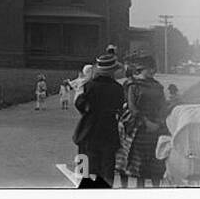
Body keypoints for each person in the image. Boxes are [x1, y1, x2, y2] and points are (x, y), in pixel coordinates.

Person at [73, 52, 125, 188]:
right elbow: (120, 106)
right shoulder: (118, 89)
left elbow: (79, 103)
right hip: (108, 131)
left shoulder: (89, 86)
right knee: (107, 168)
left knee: (85, 170)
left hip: (88, 130)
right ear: (113, 71)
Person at [120, 56, 170, 188]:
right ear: (142, 69)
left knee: (155, 160)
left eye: (153, 68)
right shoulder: (132, 85)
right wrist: (147, 122)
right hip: (138, 127)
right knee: (139, 163)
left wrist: (159, 122)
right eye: (150, 68)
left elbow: (163, 106)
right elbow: (132, 108)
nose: (153, 71)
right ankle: (139, 188)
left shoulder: (158, 86)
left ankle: (155, 188)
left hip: (155, 128)